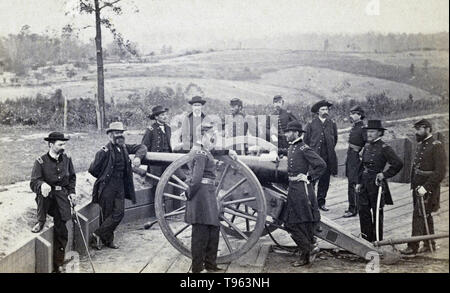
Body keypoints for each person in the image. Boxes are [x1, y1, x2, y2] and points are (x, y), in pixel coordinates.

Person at [184, 122, 237, 273]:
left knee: (213, 228)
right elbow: (196, 178)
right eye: (211, 135)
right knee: (200, 233)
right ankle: (197, 268)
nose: (213, 138)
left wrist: (228, 151)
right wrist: (188, 193)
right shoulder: (200, 152)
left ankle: (210, 265)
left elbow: (214, 150)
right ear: (203, 135)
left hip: (207, 194)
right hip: (200, 195)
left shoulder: (205, 150)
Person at [88, 122, 147, 250]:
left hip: (120, 186)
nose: (119, 135)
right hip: (107, 187)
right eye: (116, 133)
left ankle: (96, 234)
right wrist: (104, 175)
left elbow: (142, 147)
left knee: (119, 213)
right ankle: (107, 241)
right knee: (107, 214)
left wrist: (138, 158)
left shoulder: (124, 147)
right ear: (110, 135)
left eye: (121, 133)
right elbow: (92, 169)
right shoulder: (104, 151)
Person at [30, 132, 76, 273]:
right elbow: (33, 182)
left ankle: (58, 264)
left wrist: (72, 192)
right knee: (43, 192)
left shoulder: (67, 159)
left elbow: (72, 178)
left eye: (64, 144)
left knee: (62, 230)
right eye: (60, 144)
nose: (63, 147)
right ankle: (41, 220)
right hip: (47, 199)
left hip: (61, 198)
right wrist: (41, 184)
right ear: (51, 144)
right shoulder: (40, 161)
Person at [283, 121, 327, 267]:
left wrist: (308, 177)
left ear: (296, 133)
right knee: (297, 224)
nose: (286, 134)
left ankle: (308, 250)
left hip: (302, 190)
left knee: (294, 224)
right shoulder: (293, 147)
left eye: (289, 132)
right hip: (294, 189)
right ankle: (306, 253)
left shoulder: (304, 148)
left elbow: (321, 165)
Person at [400, 119, 447, 255]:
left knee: (418, 215)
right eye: (416, 129)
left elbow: (440, 172)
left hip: (428, 187)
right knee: (424, 214)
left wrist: (426, 187)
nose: (417, 132)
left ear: (428, 129)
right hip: (418, 185)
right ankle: (428, 243)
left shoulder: (436, 145)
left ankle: (413, 246)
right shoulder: (422, 144)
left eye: (419, 129)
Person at [355, 120, 403, 242]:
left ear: (379, 133)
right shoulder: (366, 146)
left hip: (376, 183)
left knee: (377, 212)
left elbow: (398, 164)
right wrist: (359, 182)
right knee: (363, 211)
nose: (369, 134)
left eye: (372, 132)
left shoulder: (385, 148)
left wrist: (385, 174)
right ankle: (366, 240)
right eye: (368, 132)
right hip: (365, 182)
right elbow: (361, 166)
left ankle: (377, 241)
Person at [304, 100, 338, 212]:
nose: (325, 111)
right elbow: (306, 142)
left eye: (326, 109)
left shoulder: (332, 124)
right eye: (323, 109)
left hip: (327, 158)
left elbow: (335, 140)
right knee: (312, 181)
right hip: (315, 159)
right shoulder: (311, 124)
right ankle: (311, 203)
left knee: (325, 182)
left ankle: (321, 203)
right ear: (318, 111)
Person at [344, 106, 367, 218]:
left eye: (353, 113)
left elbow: (367, 143)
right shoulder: (355, 126)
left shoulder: (362, 128)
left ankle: (353, 209)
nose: (351, 115)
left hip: (356, 157)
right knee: (351, 181)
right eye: (351, 113)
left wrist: (361, 153)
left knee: (353, 182)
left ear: (360, 115)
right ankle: (353, 206)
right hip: (351, 156)